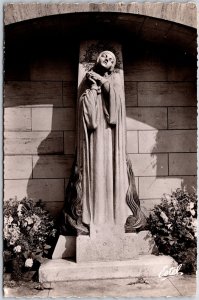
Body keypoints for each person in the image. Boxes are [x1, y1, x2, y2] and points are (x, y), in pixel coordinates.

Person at [60, 50, 146, 235]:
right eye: (104, 56)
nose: (107, 59)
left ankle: (116, 216)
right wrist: (93, 87)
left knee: (112, 174)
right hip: (93, 142)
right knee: (95, 173)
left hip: (111, 139)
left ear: (114, 66)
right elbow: (89, 120)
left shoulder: (113, 86)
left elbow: (114, 116)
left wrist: (103, 82)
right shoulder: (87, 89)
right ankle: (92, 217)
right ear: (97, 59)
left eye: (112, 59)